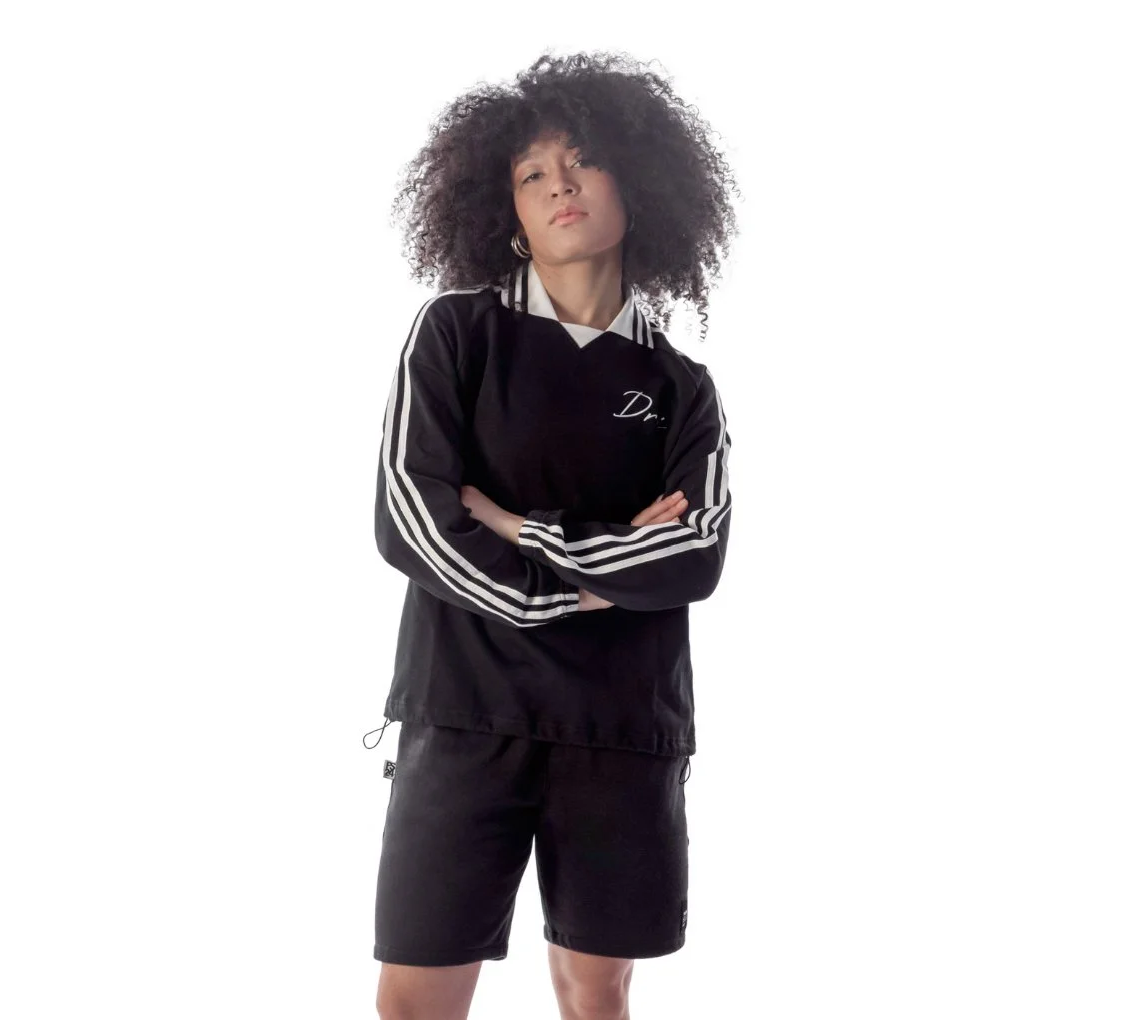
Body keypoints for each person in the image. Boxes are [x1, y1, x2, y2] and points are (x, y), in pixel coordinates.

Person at [367, 50, 739, 1020]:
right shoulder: (456, 335)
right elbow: (411, 516)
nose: (560, 185)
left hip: (622, 721)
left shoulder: (682, 388)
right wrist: (569, 588)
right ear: (509, 214)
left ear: (638, 183)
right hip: (463, 711)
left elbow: (693, 553)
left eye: (582, 161)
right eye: (532, 174)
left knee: (596, 992)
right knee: (415, 997)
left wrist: (516, 521)